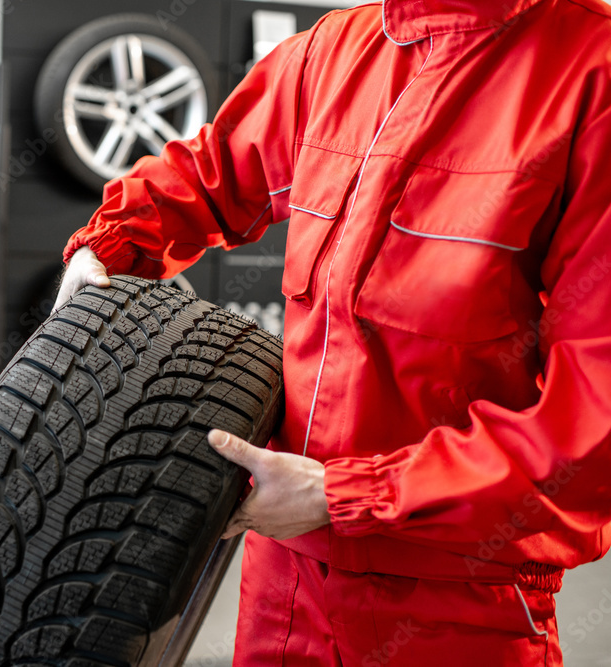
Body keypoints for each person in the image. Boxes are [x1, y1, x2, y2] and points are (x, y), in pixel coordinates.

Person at [56, 0, 611, 664]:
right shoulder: (335, 50)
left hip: (454, 606)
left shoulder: (590, 74)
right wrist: (108, 245)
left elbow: (591, 431)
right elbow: (213, 173)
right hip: (281, 589)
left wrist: (347, 496)